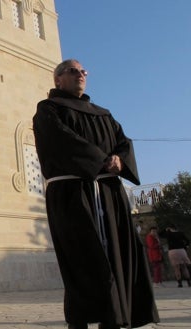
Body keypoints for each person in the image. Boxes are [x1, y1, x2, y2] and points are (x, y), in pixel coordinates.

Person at [33, 59, 159, 329]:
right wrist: (102, 159)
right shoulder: (48, 110)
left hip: (108, 194)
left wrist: (120, 161)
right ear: (58, 79)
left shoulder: (104, 114)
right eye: (73, 71)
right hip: (73, 194)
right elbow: (61, 140)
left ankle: (113, 317)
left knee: (116, 255)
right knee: (82, 257)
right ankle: (80, 320)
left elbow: (124, 143)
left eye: (83, 71)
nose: (80, 75)